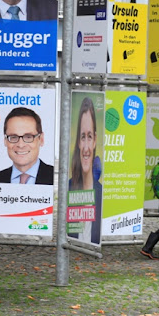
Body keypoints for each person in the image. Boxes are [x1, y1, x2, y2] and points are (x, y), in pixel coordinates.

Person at [0, 107, 54, 184]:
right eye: (14, 137)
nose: (21, 145)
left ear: (41, 139)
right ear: (5, 141)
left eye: (28, 137)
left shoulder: (57, 179)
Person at [68, 97, 103, 244]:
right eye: (83, 137)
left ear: (95, 140)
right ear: (78, 141)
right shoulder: (68, 188)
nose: (86, 147)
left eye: (89, 136)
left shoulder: (101, 193)